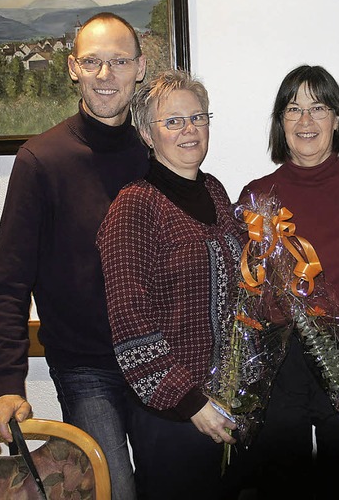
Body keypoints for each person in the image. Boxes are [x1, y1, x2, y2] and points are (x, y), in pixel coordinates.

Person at [0, 12, 148, 500]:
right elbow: (9, 281)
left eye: (119, 61)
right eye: (93, 62)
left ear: (140, 68)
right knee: (114, 492)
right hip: (87, 368)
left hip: (161, 360)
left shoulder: (157, 152)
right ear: (72, 68)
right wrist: (7, 382)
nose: (106, 76)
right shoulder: (41, 160)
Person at [239, 64, 339, 500]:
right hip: (279, 367)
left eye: (318, 108)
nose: (305, 121)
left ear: (337, 120)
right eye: (293, 109)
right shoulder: (256, 196)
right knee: (279, 484)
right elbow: (244, 296)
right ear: (280, 122)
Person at [96, 69, 245, 499]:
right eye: (173, 121)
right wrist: (190, 402)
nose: (190, 130)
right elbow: (129, 321)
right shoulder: (135, 206)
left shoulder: (215, 190)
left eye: (198, 118)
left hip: (226, 399)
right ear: (147, 132)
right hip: (174, 415)